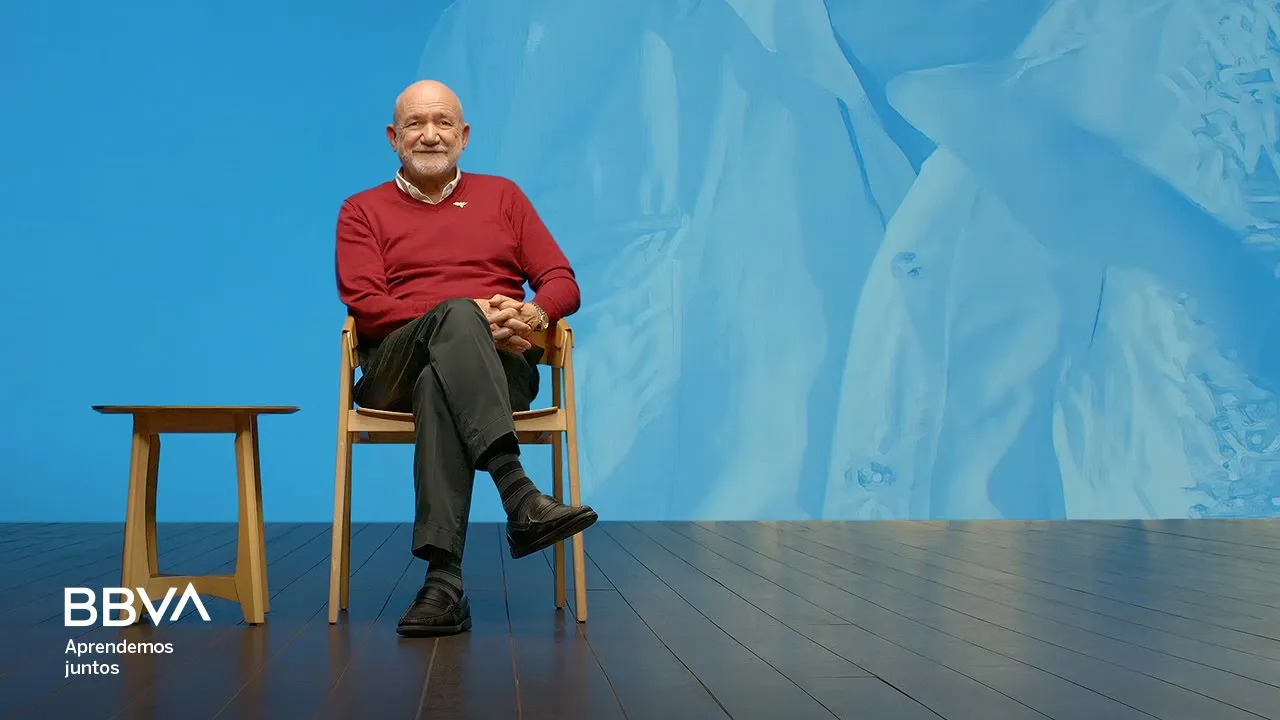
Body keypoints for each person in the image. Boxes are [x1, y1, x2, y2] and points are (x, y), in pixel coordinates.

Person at [334, 79, 598, 637]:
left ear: (465, 135)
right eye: (415, 124)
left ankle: (443, 584)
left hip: (498, 371)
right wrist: (470, 314)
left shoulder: (503, 197)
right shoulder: (361, 210)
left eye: (443, 123)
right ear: (393, 137)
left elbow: (561, 281)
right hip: (394, 368)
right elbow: (368, 305)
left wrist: (531, 316)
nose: (430, 135)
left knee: (441, 382)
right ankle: (518, 492)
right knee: (454, 318)